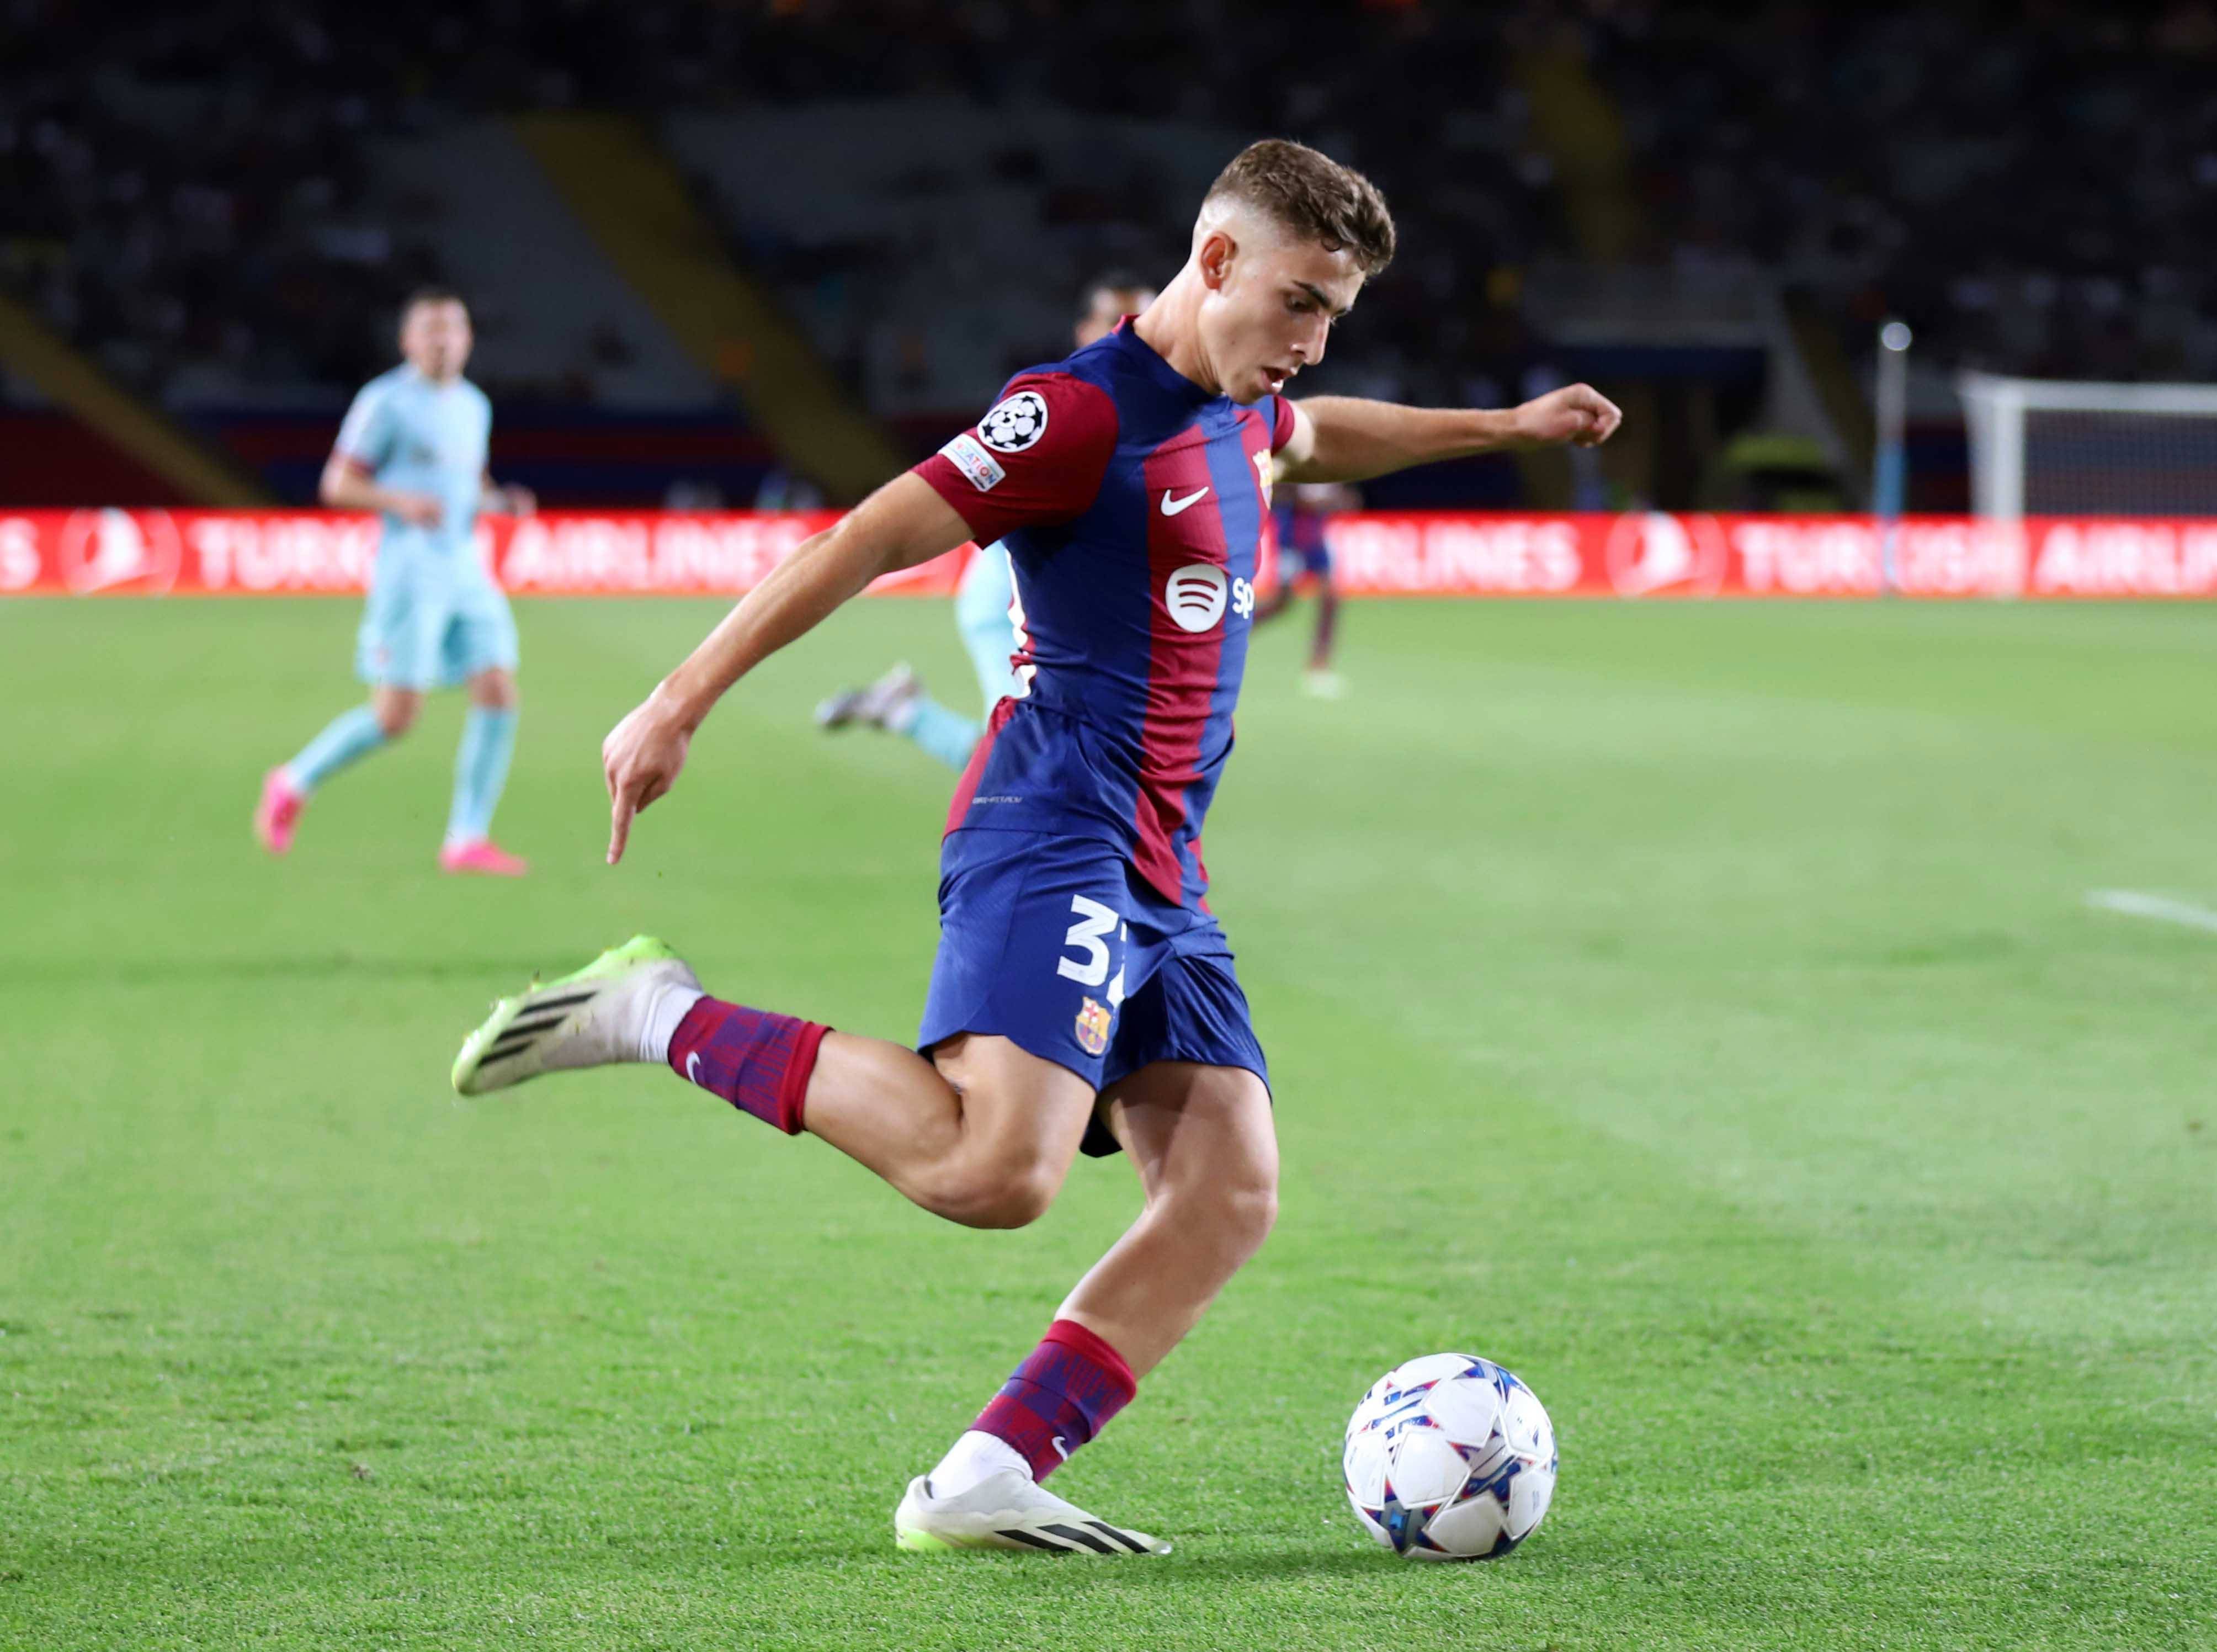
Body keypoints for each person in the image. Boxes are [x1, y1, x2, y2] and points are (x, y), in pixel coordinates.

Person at [449, 140, 1619, 1554]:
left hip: (1162, 865)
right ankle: (659, 1011)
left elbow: (1325, 440)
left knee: (1227, 1189)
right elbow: (868, 535)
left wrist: (1503, 426)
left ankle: (982, 1475)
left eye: (1335, 316)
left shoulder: (1251, 410)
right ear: (1217, 260)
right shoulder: (1075, 416)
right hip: (1053, 821)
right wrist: (675, 699)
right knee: (995, 1175)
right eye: (1299, 302)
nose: (1309, 343)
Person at [817, 272, 1160, 769]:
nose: (1129, 336)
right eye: (1116, 322)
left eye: (1142, 324)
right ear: (1085, 330)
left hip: (1058, 611)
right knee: (1021, 762)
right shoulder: (1062, 406)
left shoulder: (1142, 407)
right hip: (1013, 606)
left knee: (1028, 759)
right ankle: (905, 713)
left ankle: (902, 710)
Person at [253, 289, 536, 874]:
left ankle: (466, 837)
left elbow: (468, 483)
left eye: (453, 329)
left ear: (468, 339)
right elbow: (337, 484)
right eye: (430, 329)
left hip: (466, 565)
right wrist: (398, 500)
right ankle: (292, 780)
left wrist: (500, 500)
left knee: (499, 691)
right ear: (409, 341)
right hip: (410, 571)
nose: (443, 340)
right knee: (396, 715)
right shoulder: (384, 402)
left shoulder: (473, 405)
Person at [1257, 479, 1356, 696]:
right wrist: (1307, 500)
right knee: (1281, 604)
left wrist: (1335, 501)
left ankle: (1319, 667)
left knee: (1331, 598)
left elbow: (1346, 498)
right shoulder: (1301, 461)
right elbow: (1280, 490)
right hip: (1291, 537)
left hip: (1316, 538)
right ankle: (1234, 633)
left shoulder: (1332, 464)